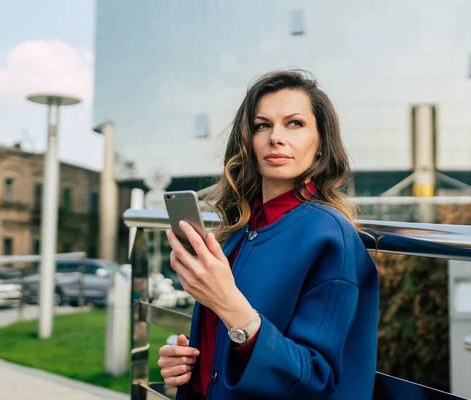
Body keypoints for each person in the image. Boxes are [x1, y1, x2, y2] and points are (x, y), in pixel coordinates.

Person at [158, 70, 379, 399]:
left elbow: (316, 378)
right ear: (249, 140)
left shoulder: (330, 237)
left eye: (295, 124)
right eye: (263, 125)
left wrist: (229, 304)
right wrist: (192, 362)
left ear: (321, 144)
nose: (276, 137)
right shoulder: (241, 232)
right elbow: (234, 351)